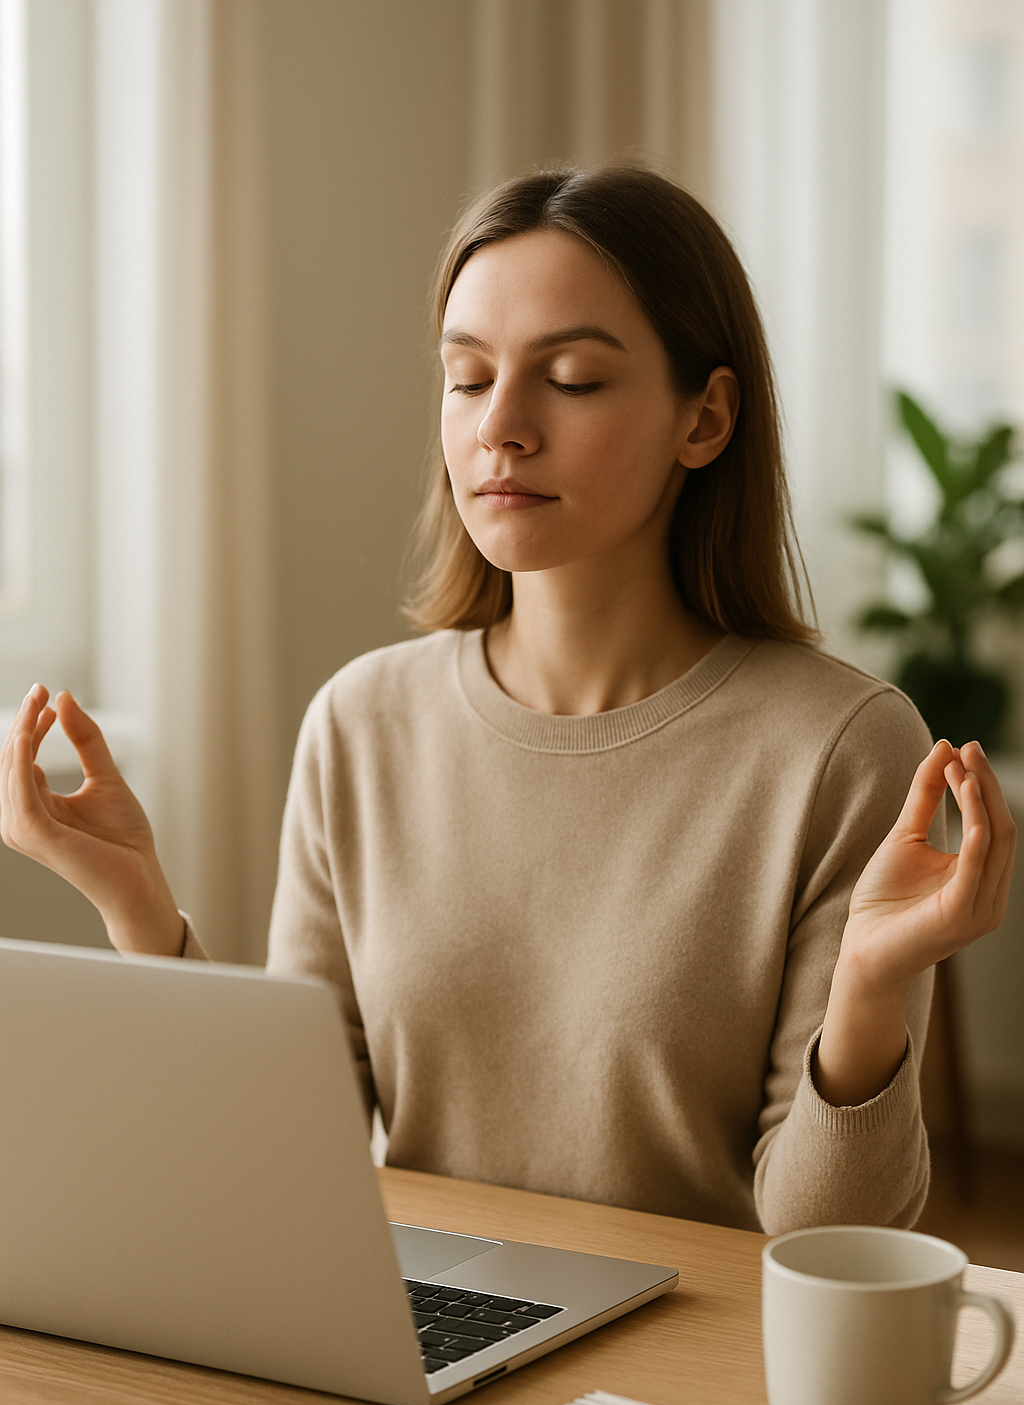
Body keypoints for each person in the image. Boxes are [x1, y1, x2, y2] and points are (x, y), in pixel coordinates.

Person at [0, 167, 1015, 1234]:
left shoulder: (837, 748)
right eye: (467, 377)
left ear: (705, 419)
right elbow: (290, 1156)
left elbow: (820, 1241)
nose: (503, 428)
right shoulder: (361, 725)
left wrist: (869, 990)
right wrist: (141, 915)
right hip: (429, 1333)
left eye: (571, 379)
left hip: (694, 1371)